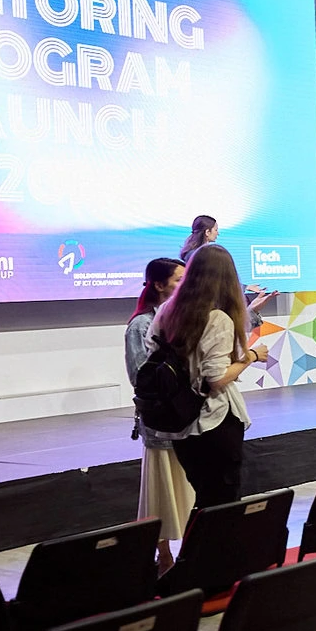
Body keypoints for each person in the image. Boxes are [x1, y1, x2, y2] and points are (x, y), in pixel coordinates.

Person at [151, 243, 269, 511]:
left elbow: (153, 357)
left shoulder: (166, 312)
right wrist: (250, 356)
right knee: (222, 504)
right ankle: (213, 553)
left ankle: (199, 553)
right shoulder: (217, 319)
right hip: (214, 421)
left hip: (182, 422)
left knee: (205, 499)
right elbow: (216, 378)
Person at [126, 257, 192, 572]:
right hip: (162, 422)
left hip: (190, 419)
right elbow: (142, 377)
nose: (184, 284)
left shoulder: (184, 316)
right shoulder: (141, 325)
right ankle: (163, 556)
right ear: (158, 284)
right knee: (160, 491)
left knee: (190, 491)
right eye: (178, 279)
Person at [181, 214, 272, 324]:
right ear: (207, 232)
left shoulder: (195, 253)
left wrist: (245, 286)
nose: (218, 233)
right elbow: (216, 280)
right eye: (216, 230)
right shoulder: (199, 255)